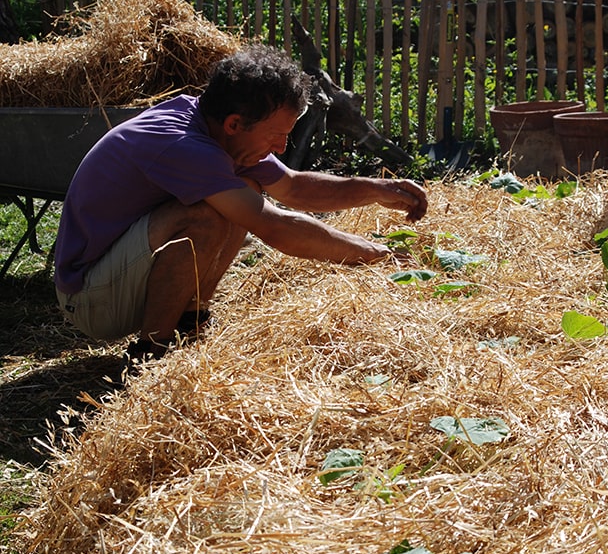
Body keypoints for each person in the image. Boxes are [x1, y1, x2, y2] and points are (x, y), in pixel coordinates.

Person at [54, 43, 428, 368]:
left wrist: (378, 188)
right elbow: (275, 226)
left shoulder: (217, 130)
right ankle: (151, 354)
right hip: (89, 299)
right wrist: (373, 254)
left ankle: (190, 320)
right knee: (204, 216)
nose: (283, 147)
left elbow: (294, 188)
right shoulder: (187, 146)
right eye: (278, 135)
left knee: (245, 187)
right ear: (235, 123)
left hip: (122, 276)